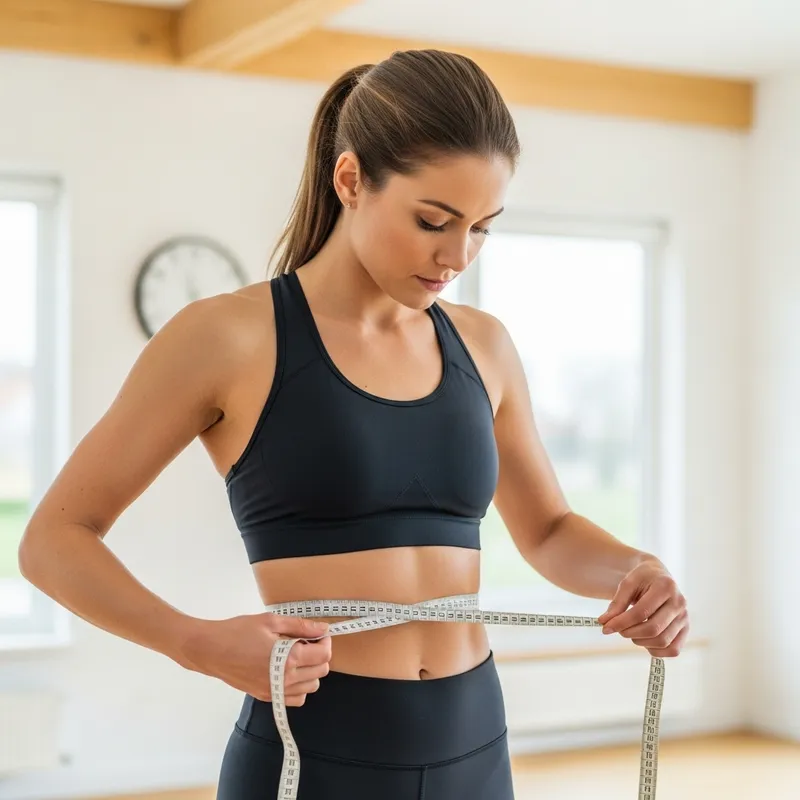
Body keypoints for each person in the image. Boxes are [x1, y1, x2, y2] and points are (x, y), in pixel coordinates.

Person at [18, 49, 690, 800]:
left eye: (481, 229)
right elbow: (52, 542)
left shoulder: (484, 344)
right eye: (434, 220)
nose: (456, 255)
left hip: (477, 748)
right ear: (350, 181)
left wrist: (638, 575)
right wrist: (198, 643)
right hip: (316, 753)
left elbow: (548, 531)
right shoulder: (227, 339)